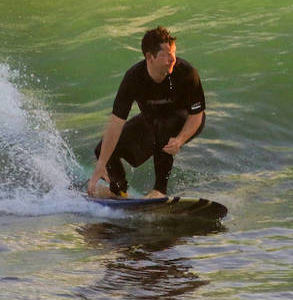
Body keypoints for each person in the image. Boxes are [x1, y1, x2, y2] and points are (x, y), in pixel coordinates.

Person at [87, 27, 206, 199]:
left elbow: (197, 115)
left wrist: (180, 139)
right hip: (154, 121)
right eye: (167, 54)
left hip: (187, 120)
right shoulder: (134, 78)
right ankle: (119, 192)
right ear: (150, 57)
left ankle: (159, 191)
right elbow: (115, 124)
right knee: (103, 150)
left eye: (173, 52)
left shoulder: (186, 73)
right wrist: (101, 164)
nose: (173, 58)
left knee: (163, 125)